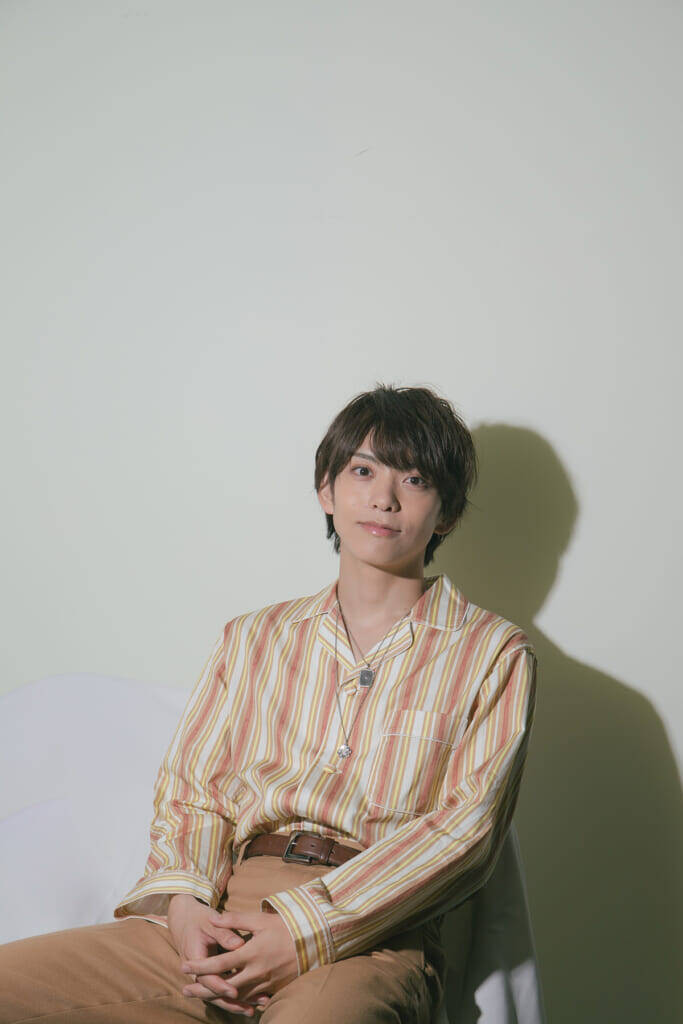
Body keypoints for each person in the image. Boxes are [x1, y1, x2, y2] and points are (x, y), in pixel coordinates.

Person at [0, 383, 538, 1023]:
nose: (384, 498)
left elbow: (463, 835)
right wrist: (187, 909)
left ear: (445, 513)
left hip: (372, 934)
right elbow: (195, 792)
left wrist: (304, 930)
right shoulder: (252, 638)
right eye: (363, 471)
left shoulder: (492, 653)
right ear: (326, 490)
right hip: (223, 909)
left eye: (415, 479)